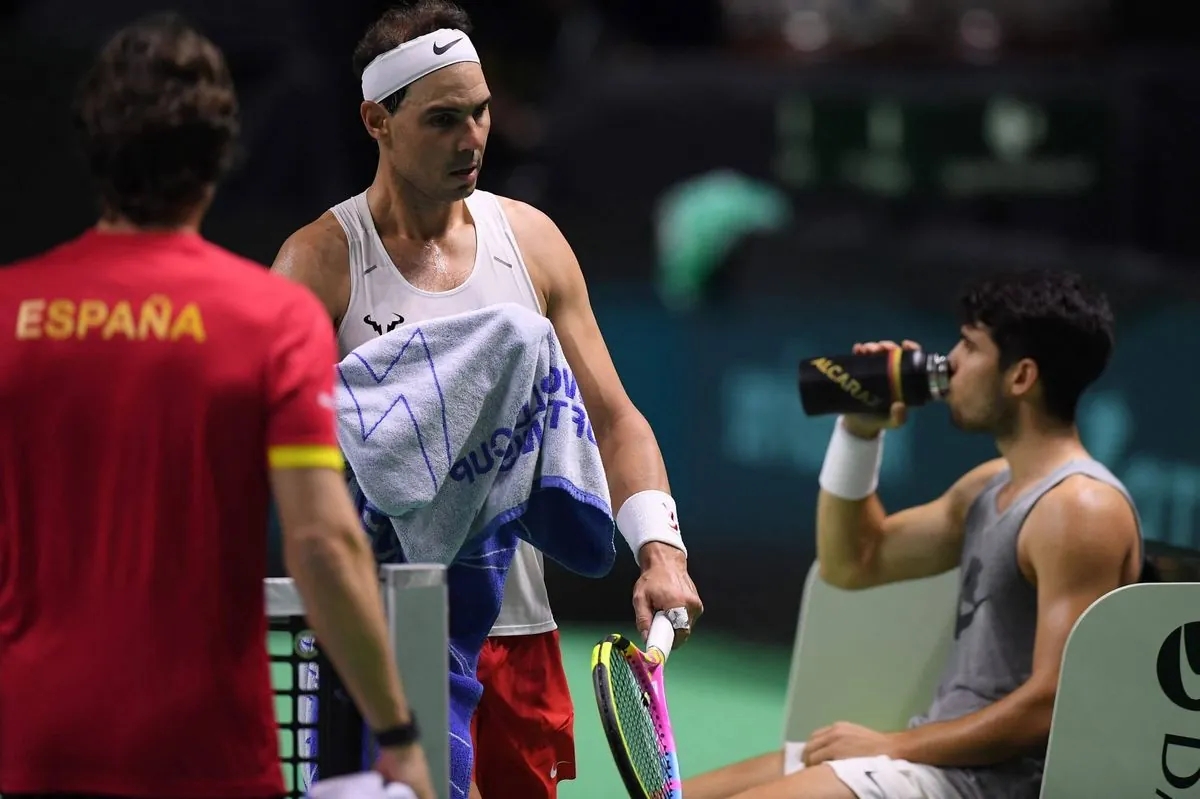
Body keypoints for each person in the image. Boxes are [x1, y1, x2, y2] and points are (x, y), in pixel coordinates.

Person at [269, 2, 704, 796]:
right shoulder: (319, 264)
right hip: (386, 635)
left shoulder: (530, 242)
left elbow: (614, 418)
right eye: (442, 120)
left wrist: (660, 547)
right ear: (378, 120)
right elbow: (275, 455)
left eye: (481, 112)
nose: (472, 139)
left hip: (520, 636)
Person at [0, 14, 433, 799]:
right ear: (219, 156)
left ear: (93, 148)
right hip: (207, 752)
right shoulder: (272, 319)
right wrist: (397, 730)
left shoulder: (8, 313)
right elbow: (323, 544)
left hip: (32, 742)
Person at [684, 269, 1143, 799]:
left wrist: (893, 745)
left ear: (1020, 378)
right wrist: (859, 433)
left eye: (970, 347)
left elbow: (1051, 700)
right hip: (931, 762)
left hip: (982, 784)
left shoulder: (1080, 509)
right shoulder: (989, 486)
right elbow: (853, 561)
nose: (949, 362)